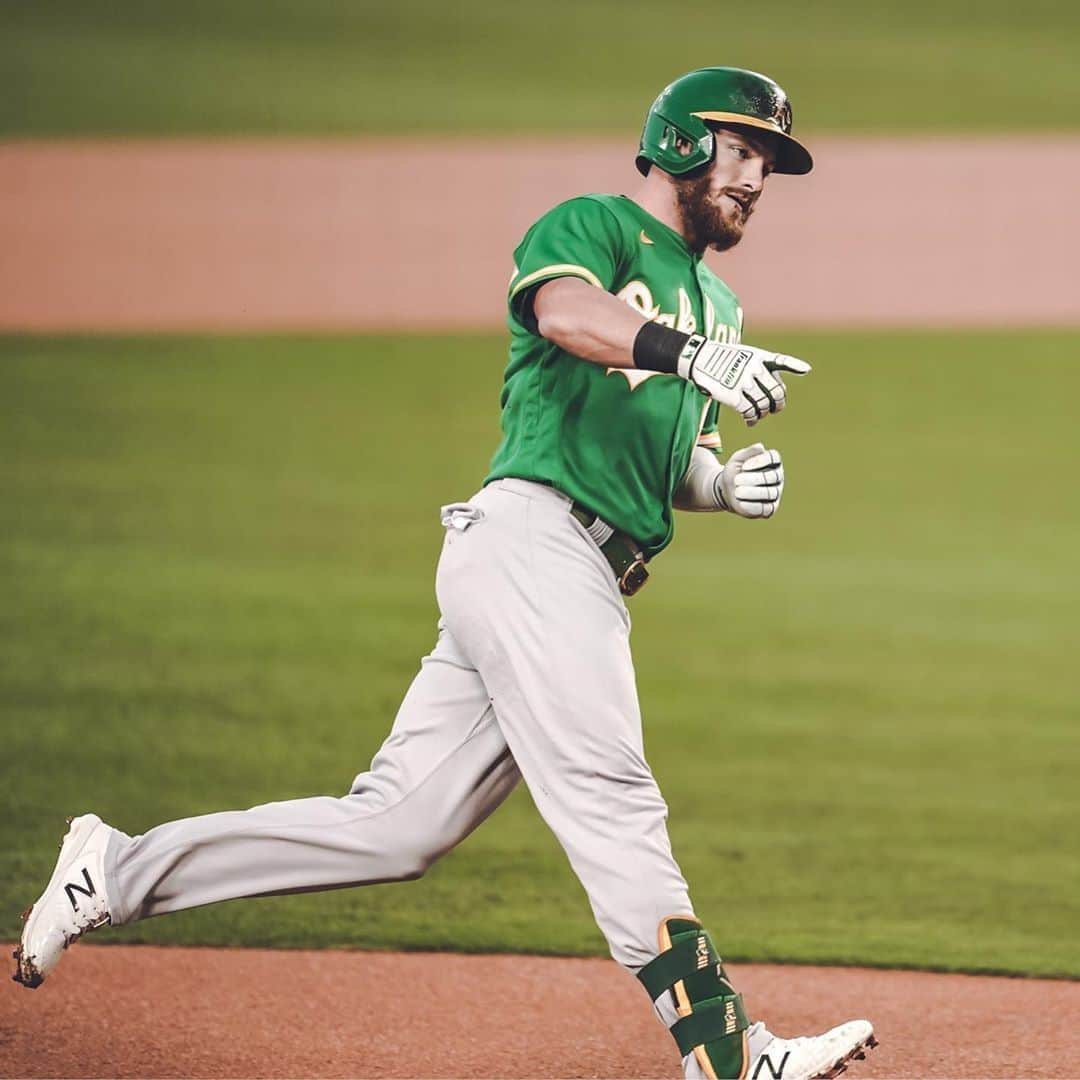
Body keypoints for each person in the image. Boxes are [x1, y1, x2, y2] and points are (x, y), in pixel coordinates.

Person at [14, 67, 876, 1080]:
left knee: (397, 826)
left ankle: (114, 867)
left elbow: (662, 450)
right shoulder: (594, 226)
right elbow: (563, 314)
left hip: (570, 575)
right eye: (743, 150)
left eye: (769, 161)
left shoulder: (719, 302)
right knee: (611, 792)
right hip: (533, 545)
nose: (759, 177)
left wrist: (718, 483)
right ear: (683, 143)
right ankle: (723, 1052)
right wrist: (688, 357)